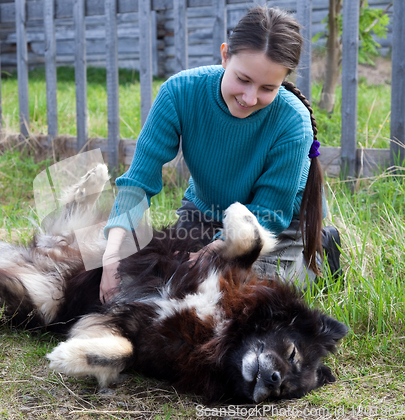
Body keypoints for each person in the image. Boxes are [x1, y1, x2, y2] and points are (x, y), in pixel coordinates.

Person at [99, 5, 342, 303]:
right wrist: (112, 256)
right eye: (243, 79)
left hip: (272, 228)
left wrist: (207, 255)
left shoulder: (292, 121)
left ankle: (320, 252)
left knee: (239, 297)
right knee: (160, 277)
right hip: (205, 211)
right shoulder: (179, 93)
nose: (249, 98)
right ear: (225, 55)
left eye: (267, 88)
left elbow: (269, 213)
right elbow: (138, 181)